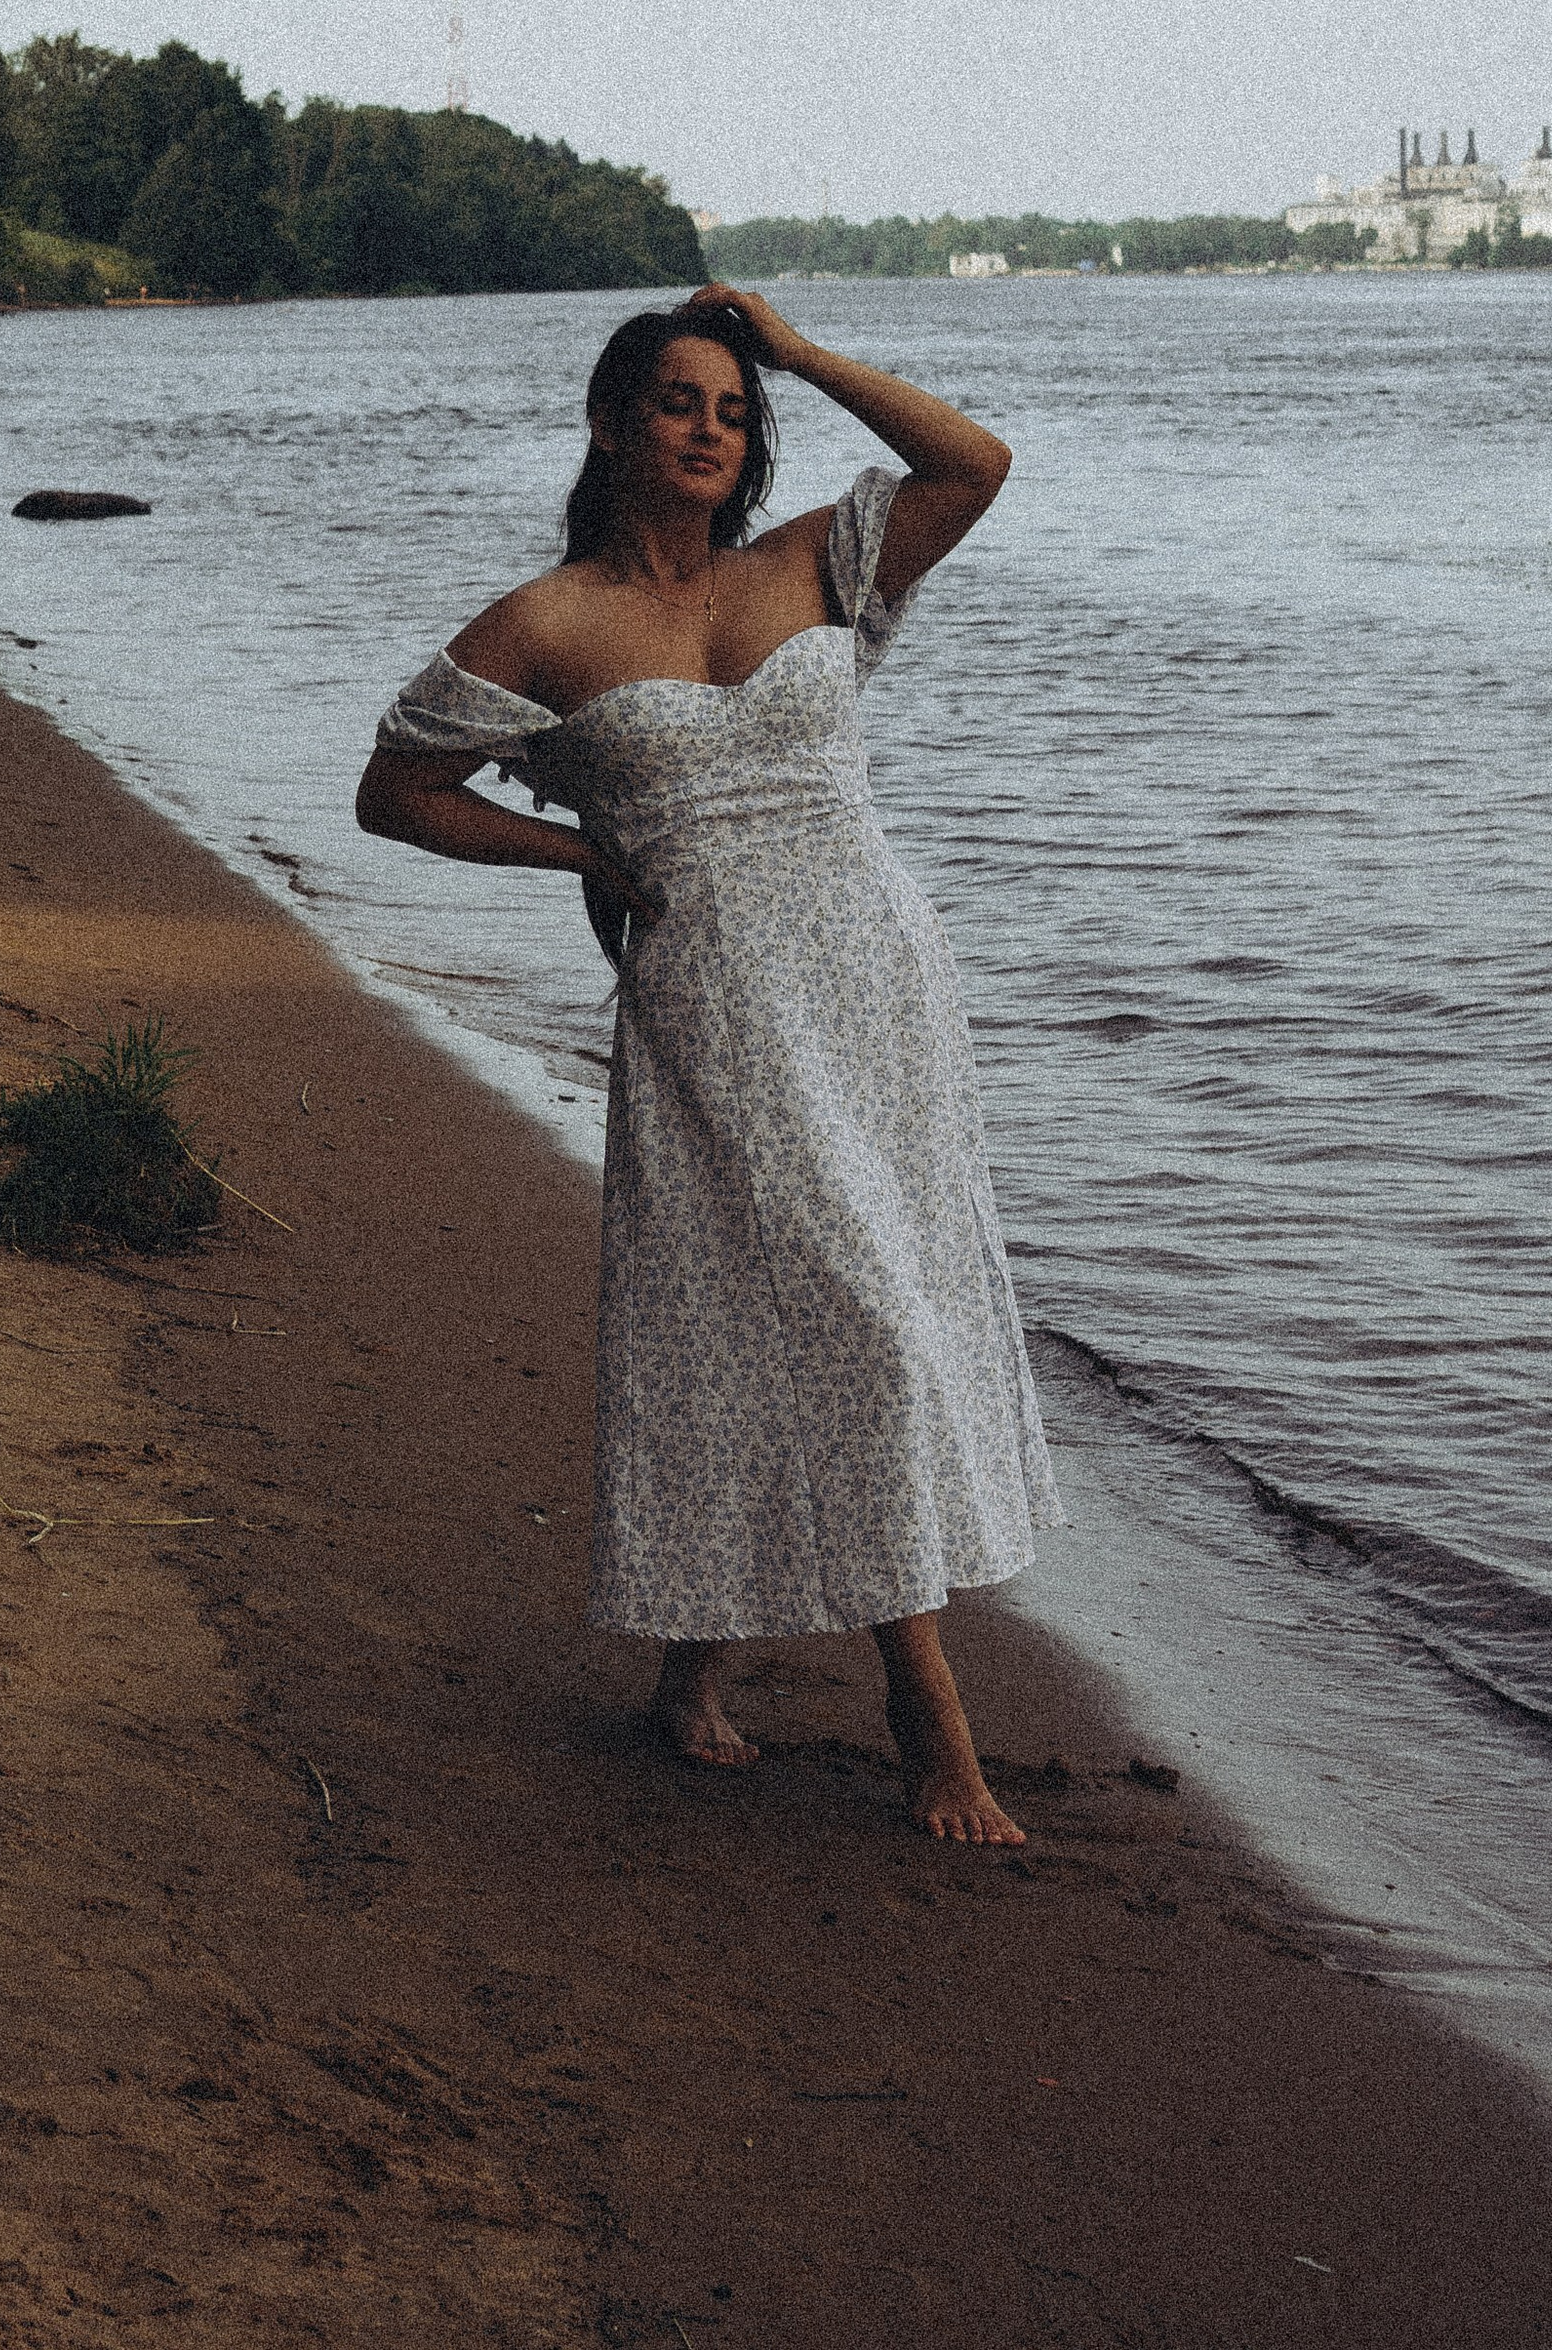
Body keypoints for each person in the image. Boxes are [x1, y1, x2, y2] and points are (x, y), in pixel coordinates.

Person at [355, 286, 1057, 1842]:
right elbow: (396, 792)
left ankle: (692, 1673)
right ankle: (926, 1711)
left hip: (875, 979)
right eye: (680, 400)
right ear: (612, 422)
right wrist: (582, 849)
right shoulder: (545, 623)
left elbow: (974, 464)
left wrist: (797, 350)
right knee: (854, 1316)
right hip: (715, 997)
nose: (711, 429)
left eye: (735, 410)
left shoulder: (811, 561)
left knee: (788, 1310)